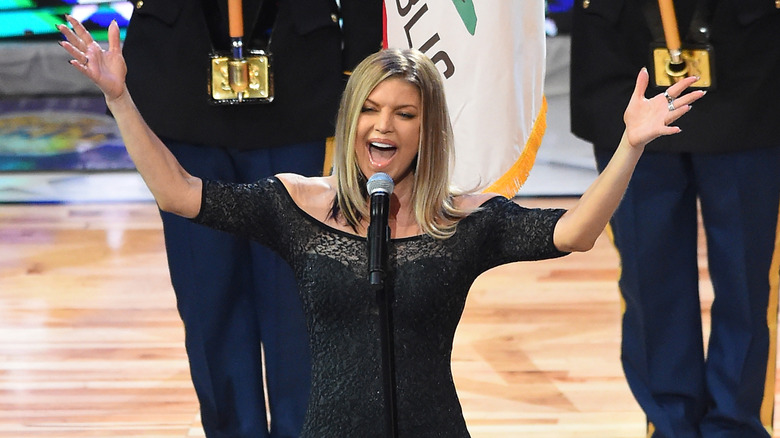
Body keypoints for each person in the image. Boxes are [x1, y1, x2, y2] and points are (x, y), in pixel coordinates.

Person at [57, 16, 705, 437]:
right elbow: (178, 194)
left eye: (403, 113)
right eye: (368, 110)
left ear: (428, 131)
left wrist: (631, 146)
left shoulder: (460, 220)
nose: (383, 126)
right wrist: (119, 96)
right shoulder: (298, 206)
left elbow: (575, 233)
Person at [117, 1, 381, 437]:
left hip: (299, 79)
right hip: (178, 81)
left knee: (299, 300)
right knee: (208, 301)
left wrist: (359, 72)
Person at [570, 1, 780, 437]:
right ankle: (670, 426)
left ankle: (735, 427)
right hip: (624, 51)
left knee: (747, 280)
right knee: (650, 278)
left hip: (749, 55)